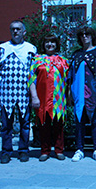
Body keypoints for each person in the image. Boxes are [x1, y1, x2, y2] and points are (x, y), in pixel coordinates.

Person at [0, 20, 37, 164]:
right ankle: (6, 151)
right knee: (6, 125)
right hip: (6, 93)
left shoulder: (31, 49)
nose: (15, 32)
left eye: (18, 29)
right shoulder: (2, 48)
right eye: (13, 29)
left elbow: (33, 72)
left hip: (24, 93)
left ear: (24, 32)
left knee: (25, 124)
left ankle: (23, 151)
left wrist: (34, 95)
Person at [69, 26, 96, 162]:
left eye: (87, 34)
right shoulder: (75, 55)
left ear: (92, 36)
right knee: (79, 123)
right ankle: (79, 149)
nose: (84, 36)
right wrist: (70, 93)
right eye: (82, 34)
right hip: (79, 93)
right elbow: (70, 76)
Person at [28, 34, 69, 162]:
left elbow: (68, 80)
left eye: (52, 42)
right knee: (43, 125)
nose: (50, 45)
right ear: (43, 45)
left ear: (57, 44)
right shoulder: (36, 60)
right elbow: (31, 80)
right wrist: (34, 97)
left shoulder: (63, 60)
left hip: (59, 98)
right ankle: (45, 151)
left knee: (58, 125)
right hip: (42, 98)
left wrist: (69, 97)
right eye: (47, 42)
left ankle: (59, 150)